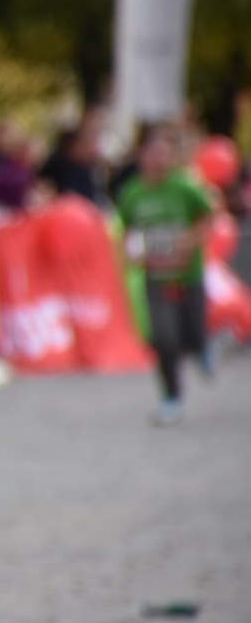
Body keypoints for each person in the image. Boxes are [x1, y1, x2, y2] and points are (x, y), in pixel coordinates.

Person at [117, 123, 214, 426]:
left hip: (188, 273)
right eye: (153, 152)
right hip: (156, 274)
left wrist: (187, 242)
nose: (159, 159)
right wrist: (135, 252)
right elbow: (126, 230)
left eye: (165, 152)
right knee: (164, 337)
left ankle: (201, 346)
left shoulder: (185, 187)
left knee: (194, 332)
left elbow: (209, 217)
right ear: (141, 155)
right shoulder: (132, 192)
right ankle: (171, 397)